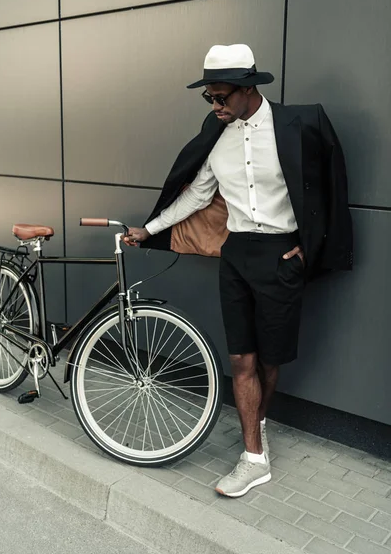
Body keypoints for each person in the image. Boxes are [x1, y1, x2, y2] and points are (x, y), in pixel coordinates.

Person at [123, 44, 353, 498]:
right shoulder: (216, 134)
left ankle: (258, 425)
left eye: (221, 96)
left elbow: (329, 188)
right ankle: (253, 458)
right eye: (208, 97)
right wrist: (148, 229)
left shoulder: (298, 125)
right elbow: (195, 196)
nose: (215, 106)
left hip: (281, 256)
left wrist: (309, 250)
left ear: (248, 89)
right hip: (237, 254)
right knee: (240, 359)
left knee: (270, 358)